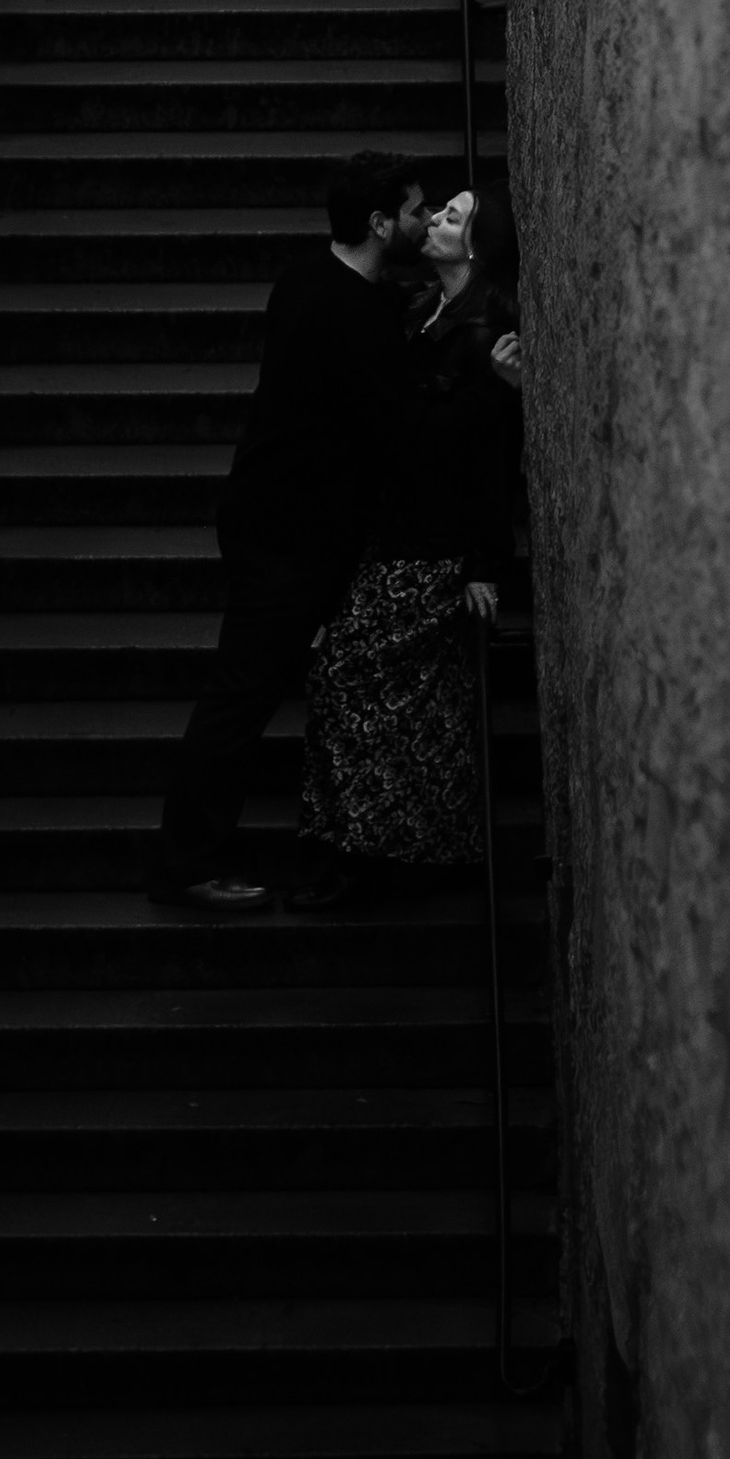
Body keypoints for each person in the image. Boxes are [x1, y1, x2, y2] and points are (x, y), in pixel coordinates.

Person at [151, 150, 427, 909]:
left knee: (243, 692)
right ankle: (186, 865)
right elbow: (397, 433)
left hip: (263, 516)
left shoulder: (306, 277)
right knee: (240, 698)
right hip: (288, 539)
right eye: (415, 210)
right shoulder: (356, 317)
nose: (427, 221)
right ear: (379, 224)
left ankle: (197, 854)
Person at [290, 183, 524, 904]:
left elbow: (492, 455)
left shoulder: (487, 331)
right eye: (440, 209)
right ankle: (396, 848)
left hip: (437, 543)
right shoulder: (423, 307)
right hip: (394, 535)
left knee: (351, 679)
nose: (436, 222)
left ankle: (367, 854)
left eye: (453, 217)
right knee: (412, 701)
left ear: (476, 246)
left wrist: (488, 564)